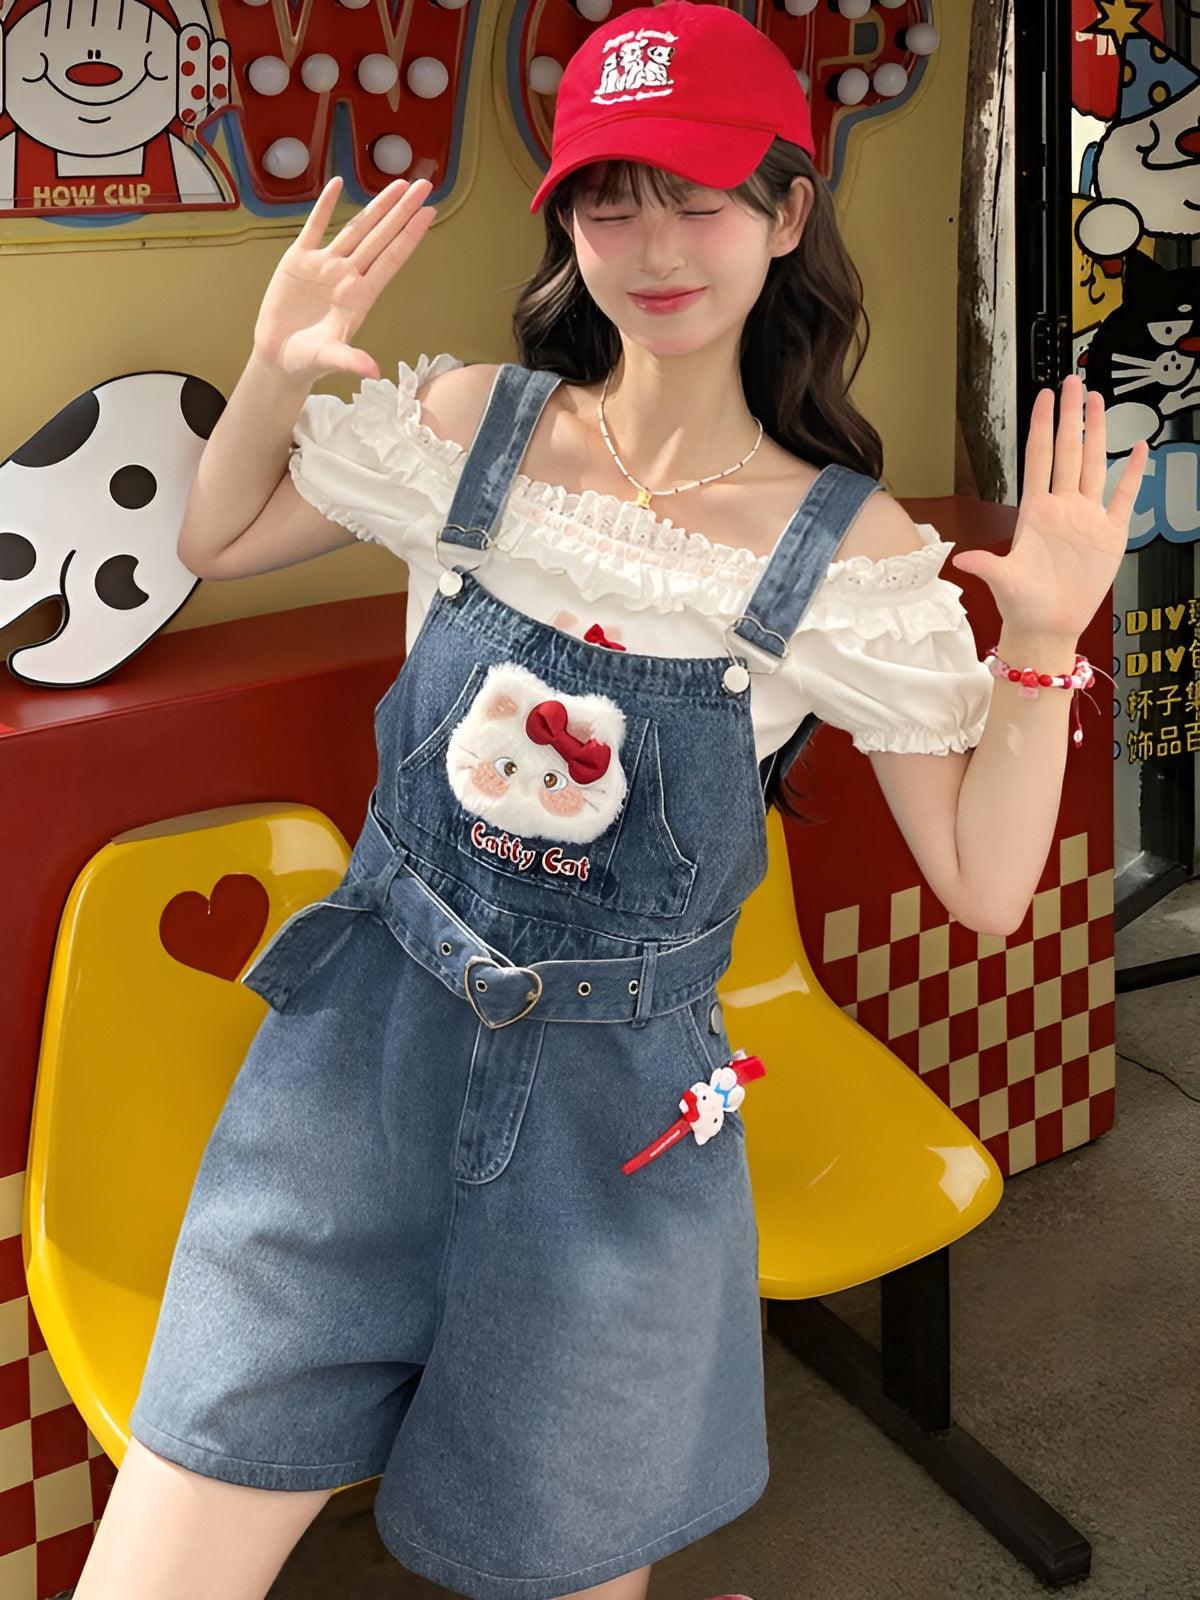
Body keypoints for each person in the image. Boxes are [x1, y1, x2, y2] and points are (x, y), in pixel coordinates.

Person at [74, 6, 1147, 1600]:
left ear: (786, 214)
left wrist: (1045, 643)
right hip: (350, 1076)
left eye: (697, 200)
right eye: (608, 200)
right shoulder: (466, 428)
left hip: (617, 1130)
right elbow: (217, 541)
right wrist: (272, 367)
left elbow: (989, 892)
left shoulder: (849, 556)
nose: (651, 247)